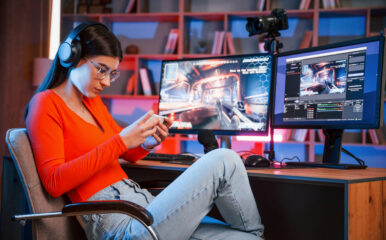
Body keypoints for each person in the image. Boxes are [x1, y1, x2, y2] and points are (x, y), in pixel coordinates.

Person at [25, 21, 264, 240]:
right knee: (224, 159)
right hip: (119, 223)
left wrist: (147, 141)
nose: (107, 81)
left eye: (112, 73)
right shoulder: (46, 104)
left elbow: (126, 152)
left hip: (145, 207)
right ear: (71, 57)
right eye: (102, 69)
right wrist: (120, 141)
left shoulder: (92, 102)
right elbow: (54, 182)